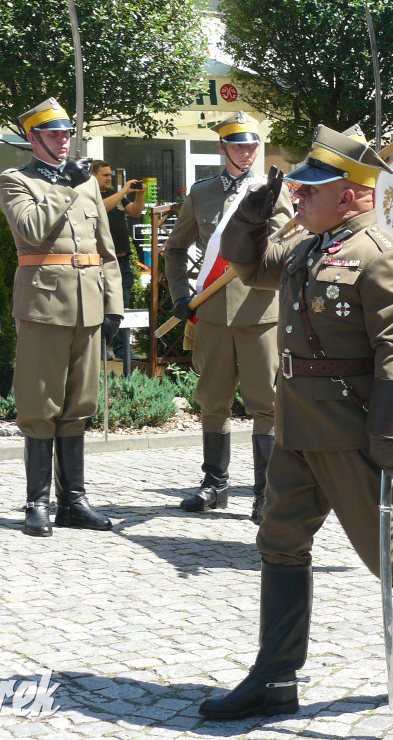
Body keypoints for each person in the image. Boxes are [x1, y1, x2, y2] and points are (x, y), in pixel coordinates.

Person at [198, 124, 393, 720]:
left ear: (352, 194)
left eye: (312, 189)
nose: (298, 195)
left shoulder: (382, 256)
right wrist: (251, 215)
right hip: (298, 425)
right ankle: (276, 676)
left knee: (388, 555)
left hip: (351, 430)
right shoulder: (307, 248)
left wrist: (387, 433)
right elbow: (246, 263)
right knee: (279, 541)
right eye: (298, 188)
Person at [0, 98, 123, 538]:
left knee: (78, 405)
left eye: (67, 133)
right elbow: (32, 231)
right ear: (33, 139)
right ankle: (37, 502)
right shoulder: (15, 180)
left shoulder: (86, 183)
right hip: (44, 306)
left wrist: (114, 305)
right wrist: (67, 186)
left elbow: (105, 250)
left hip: (89, 306)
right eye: (54, 134)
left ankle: (74, 501)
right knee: (40, 405)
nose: (64, 141)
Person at [164, 112, 292, 524]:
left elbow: (286, 248)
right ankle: (214, 485)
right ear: (222, 147)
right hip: (214, 313)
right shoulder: (201, 193)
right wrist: (181, 294)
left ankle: (264, 493)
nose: (246, 152)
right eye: (238, 145)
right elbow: (175, 248)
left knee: (265, 404)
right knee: (212, 400)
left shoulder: (273, 192)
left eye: (252, 145)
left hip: (259, 311)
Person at [90, 160, 145, 360]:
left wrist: (139, 194)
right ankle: (100, 347)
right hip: (101, 262)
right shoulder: (90, 195)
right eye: (105, 175)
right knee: (100, 305)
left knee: (121, 307)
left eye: (110, 175)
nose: (109, 178)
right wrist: (123, 191)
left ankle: (122, 348)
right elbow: (101, 209)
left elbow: (136, 212)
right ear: (93, 175)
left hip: (122, 262)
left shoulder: (115, 195)